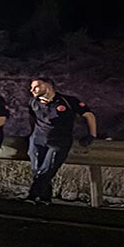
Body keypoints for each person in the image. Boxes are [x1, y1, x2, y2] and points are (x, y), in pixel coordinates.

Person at [26, 77, 99, 205]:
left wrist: (92, 134)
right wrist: (31, 135)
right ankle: (44, 198)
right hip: (37, 140)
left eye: (36, 87)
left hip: (59, 141)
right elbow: (32, 120)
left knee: (47, 170)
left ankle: (32, 196)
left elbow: (89, 115)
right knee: (37, 169)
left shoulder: (68, 101)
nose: (32, 90)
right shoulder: (34, 103)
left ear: (47, 86)